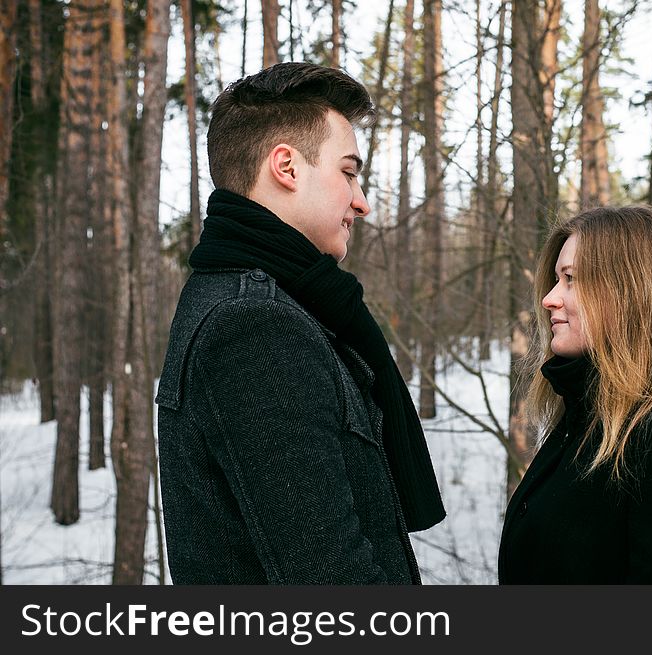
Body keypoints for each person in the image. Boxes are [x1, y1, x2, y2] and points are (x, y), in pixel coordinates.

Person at [155, 62, 444, 584]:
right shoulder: (254, 325)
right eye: (349, 173)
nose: (362, 202)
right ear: (286, 166)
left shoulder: (244, 298)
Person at [498, 205, 652, 584]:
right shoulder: (584, 417)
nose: (549, 299)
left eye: (571, 279)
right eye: (556, 280)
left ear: (632, 293)